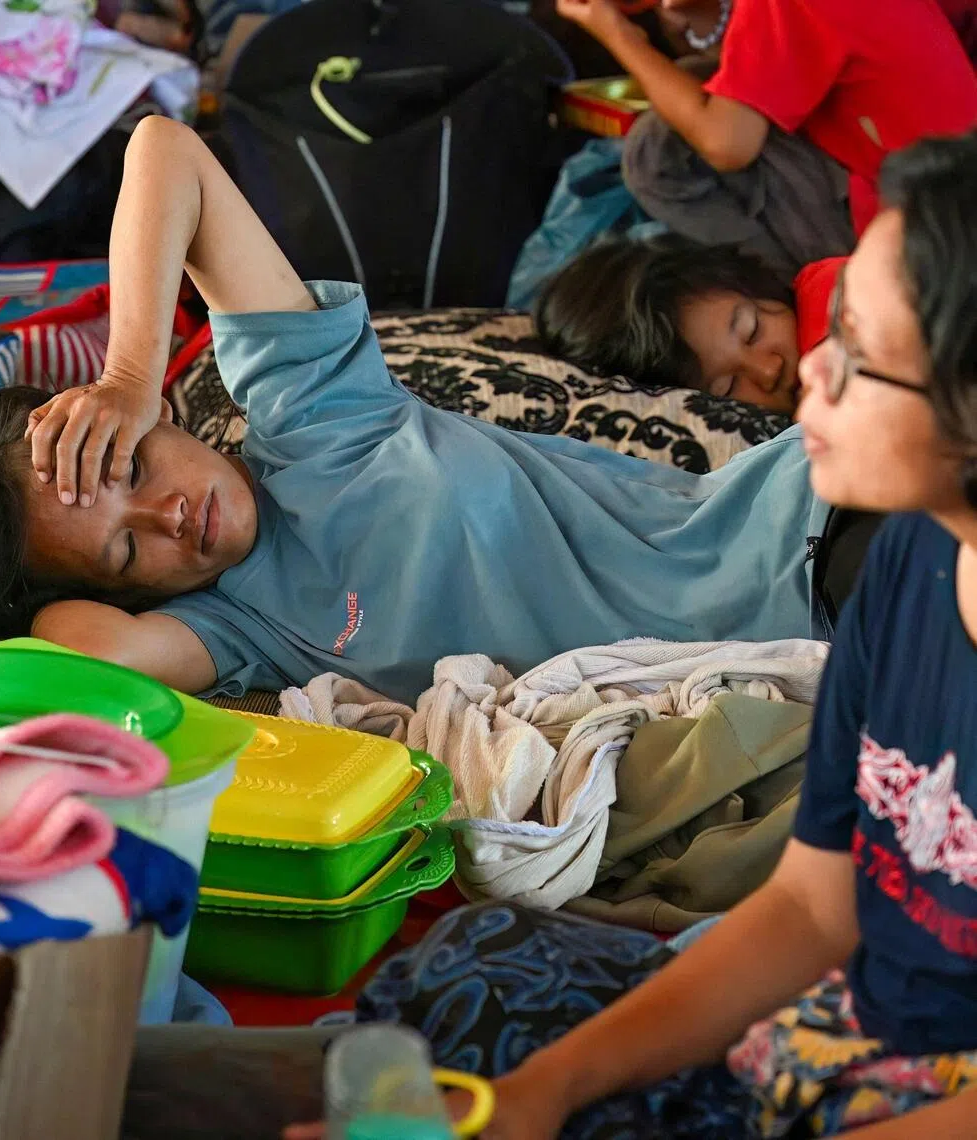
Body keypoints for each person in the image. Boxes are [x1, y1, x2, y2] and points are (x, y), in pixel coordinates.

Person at [286, 131, 977, 1140]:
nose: (811, 370)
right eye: (834, 329)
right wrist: (543, 1095)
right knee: (467, 978)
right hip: (847, 1019)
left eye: (866, 357)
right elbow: (814, 908)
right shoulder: (919, 559)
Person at [0, 117, 831, 705]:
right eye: (129, 551)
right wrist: (49, 565)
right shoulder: (241, 630)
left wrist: (126, 375)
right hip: (800, 655)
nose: (169, 516)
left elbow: (166, 152)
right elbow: (87, 652)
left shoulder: (312, 415)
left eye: (130, 466)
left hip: (796, 529)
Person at [555, 0, 977, 284]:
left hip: (918, 234)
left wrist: (615, 33)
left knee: (657, 149)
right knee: (695, 84)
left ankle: (782, 299)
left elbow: (726, 144)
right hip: (946, 191)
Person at [535, 232, 841, 410]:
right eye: (726, 386)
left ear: (755, 282)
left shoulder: (834, 292)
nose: (769, 369)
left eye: (752, 330)